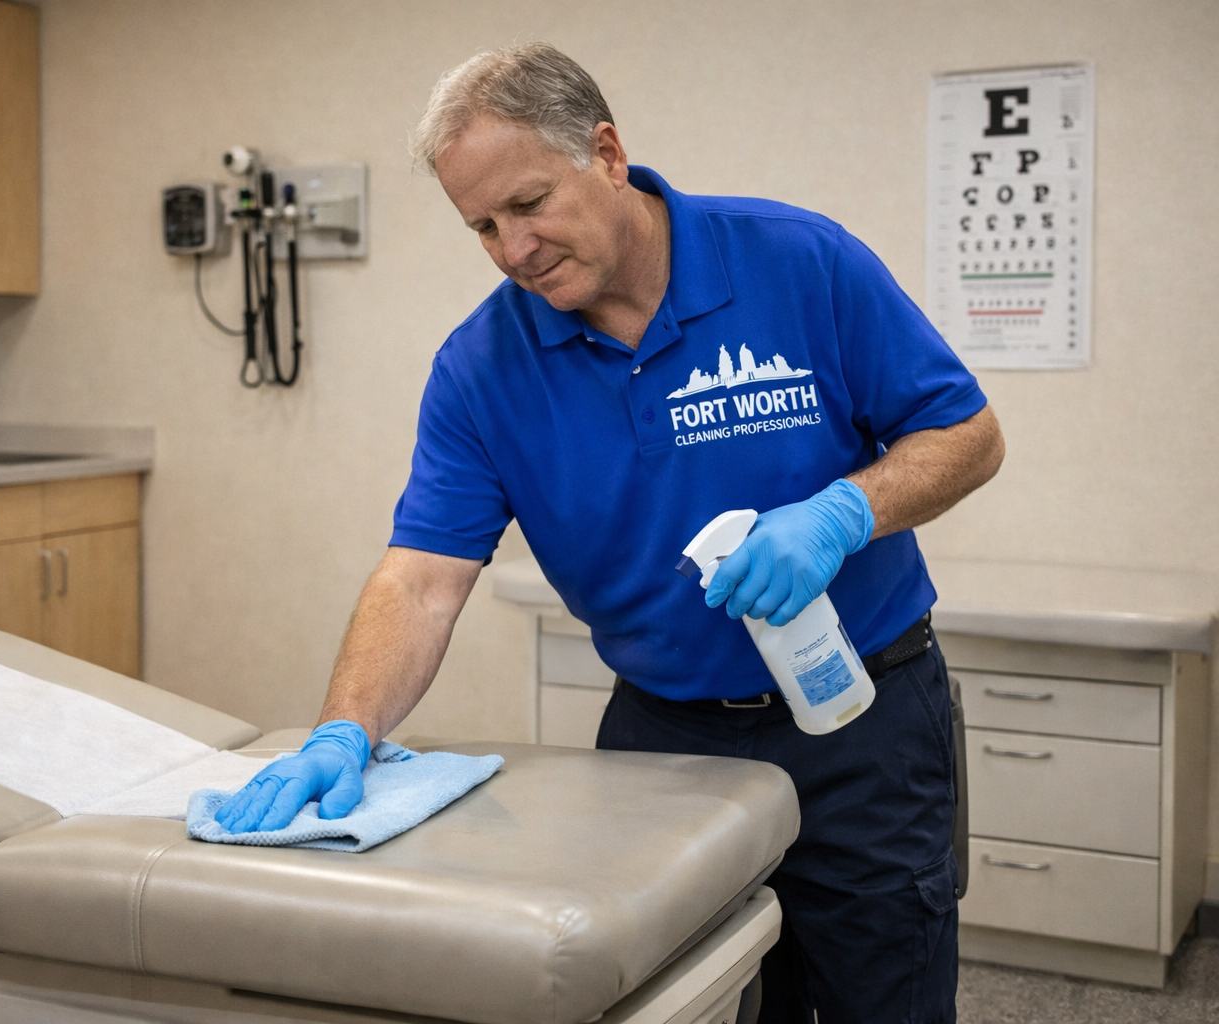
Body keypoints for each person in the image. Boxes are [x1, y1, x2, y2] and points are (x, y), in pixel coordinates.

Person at [215, 43, 1004, 1024]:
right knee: (696, 999)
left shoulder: (799, 262)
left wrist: (844, 513)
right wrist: (346, 725)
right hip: (666, 743)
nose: (513, 249)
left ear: (607, 152)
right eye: (484, 227)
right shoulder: (482, 368)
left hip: (863, 717)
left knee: (882, 994)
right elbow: (421, 577)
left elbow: (967, 435)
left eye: (530, 203)